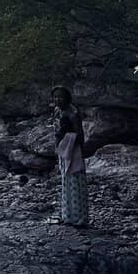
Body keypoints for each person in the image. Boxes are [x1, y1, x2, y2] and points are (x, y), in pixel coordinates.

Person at [53, 86, 88, 227]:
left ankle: (79, 219)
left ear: (67, 98)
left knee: (75, 183)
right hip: (64, 151)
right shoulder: (57, 111)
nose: (57, 99)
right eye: (55, 97)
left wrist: (64, 136)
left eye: (60, 97)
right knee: (66, 183)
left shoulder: (73, 113)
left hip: (74, 152)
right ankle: (68, 216)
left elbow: (80, 137)